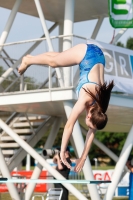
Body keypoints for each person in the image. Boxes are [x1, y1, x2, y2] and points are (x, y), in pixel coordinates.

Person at [18, 43, 114, 172]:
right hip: (86, 54)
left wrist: (83, 157)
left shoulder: (100, 109)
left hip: (98, 56)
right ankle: (28, 60)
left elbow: (92, 133)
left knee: (58, 58)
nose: (90, 128)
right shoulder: (85, 98)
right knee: (53, 62)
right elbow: (69, 125)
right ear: (89, 116)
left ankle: (30, 58)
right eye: (90, 125)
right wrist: (63, 151)